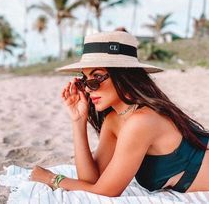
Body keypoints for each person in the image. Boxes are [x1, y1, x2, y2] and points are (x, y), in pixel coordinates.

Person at [30, 31, 209, 197]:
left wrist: (52, 179)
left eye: (97, 77)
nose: (87, 87)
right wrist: (78, 121)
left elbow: (104, 192)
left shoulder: (141, 121)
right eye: (84, 79)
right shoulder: (115, 119)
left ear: (124, 75)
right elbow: (92, 181)